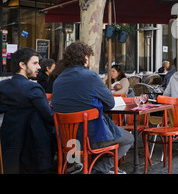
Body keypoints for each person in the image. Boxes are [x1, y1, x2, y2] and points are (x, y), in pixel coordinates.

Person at [51, 41, 134, 174]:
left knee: (102, 132)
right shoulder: (90, 77)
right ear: (85, 58)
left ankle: (94, 167)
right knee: (129, 138)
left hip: (66, 140)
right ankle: (99, 169)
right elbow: (110, 103)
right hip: (92, 137)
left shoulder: (58, 80)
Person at [0, 48, 54, 174]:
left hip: (9, 146)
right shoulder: (33, 88)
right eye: (35, 63)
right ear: (22, 65)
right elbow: (50, 117)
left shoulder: (3, 87)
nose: (39, 67)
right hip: (33, 149)